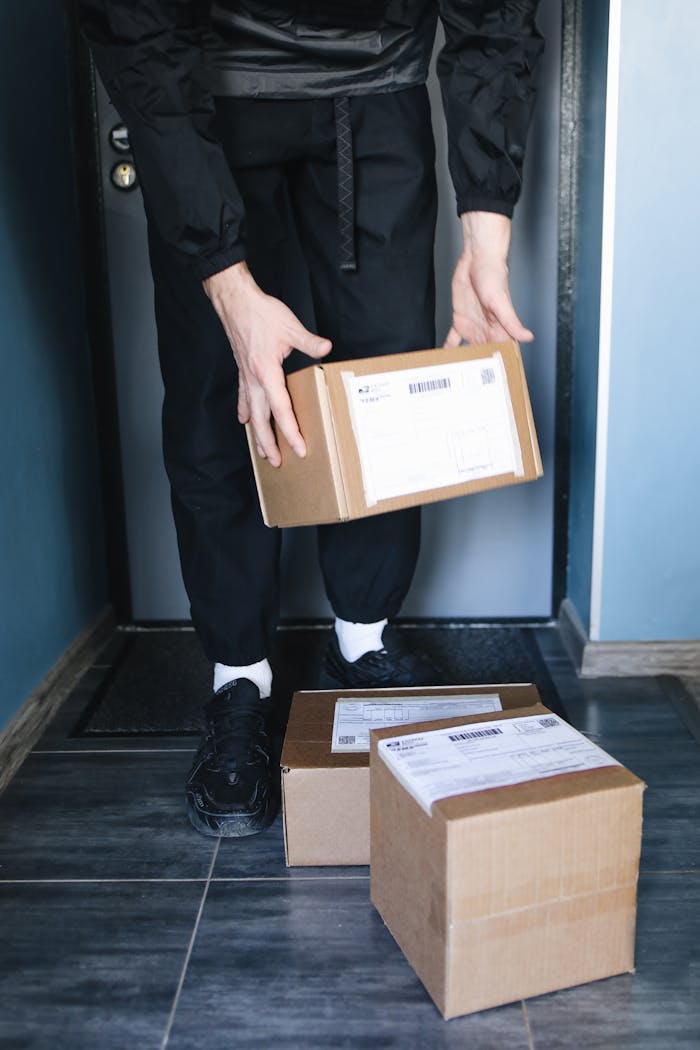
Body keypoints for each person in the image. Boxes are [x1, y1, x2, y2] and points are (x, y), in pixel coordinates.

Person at [80, 0, 544, 839]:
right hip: (207, 101)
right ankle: (239, 676)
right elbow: (137, 34)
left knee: (382, 387)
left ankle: (363, 636)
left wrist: (487, 237)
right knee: (221, 393)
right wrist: (226, 281)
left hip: (380, 93)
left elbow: (496, 19)